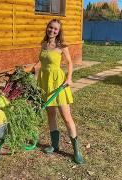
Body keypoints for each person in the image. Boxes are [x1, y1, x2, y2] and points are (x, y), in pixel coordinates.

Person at [33, 19, 84, 164]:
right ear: (47, 28)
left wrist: (69, 78)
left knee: (66, 117)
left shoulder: (61, 46)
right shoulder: (43, 44)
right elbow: (41, 62)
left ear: (59, 31)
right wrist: (31, 69)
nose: (52, 31)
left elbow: (69, 62)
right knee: (51, 114)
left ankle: (76, 151)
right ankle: (54, 145)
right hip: (44, 81)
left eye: (56, 29)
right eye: (50, 27)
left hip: (57, 83)